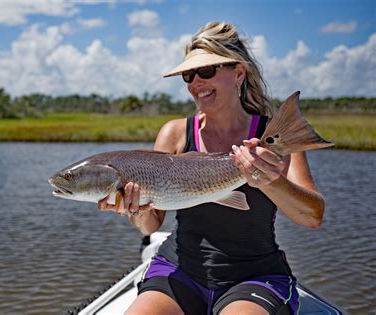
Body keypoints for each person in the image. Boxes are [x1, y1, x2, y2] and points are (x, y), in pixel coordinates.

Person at [98, 21, 325, 315]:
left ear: (239, 73)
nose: (196, 83)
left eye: (206, 71)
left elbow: (313, 217)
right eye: (188, 76)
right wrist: (134, 210)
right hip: (179, 269)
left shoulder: (275, 137)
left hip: (254, 275)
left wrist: (270, 180)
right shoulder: (175, 133)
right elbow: (151, 225)